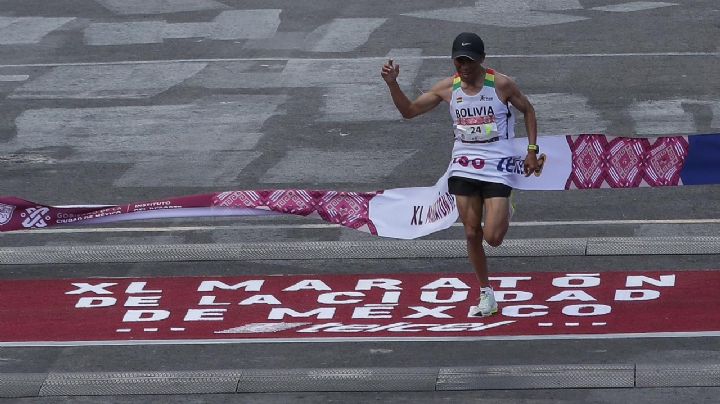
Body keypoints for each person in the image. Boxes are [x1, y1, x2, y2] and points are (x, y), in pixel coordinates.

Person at [381, 32, 540, 317]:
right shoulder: (447, 88)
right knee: (470, 232)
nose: (463, 67)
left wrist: (530, 149)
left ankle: (505, 208)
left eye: (468, 61)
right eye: (459, 61)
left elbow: (528, 110)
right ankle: (485, 292)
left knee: (493, 237)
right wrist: (393, 84)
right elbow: (409, 111)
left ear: (481, 60)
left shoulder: (500, 84)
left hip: (497, 162)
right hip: (464, 164)